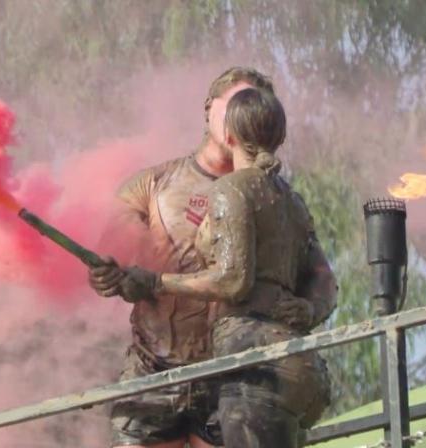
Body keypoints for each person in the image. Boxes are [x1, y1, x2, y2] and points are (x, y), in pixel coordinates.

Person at [90, 68, 336, 448]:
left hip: (237, 377)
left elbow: (322, 278)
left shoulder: (279, 201)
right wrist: (107, 275)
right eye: (236, 103)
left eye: (256, 106)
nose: (244, 113)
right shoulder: (153, 184)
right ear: (209, 109)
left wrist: (307, 310)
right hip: (155, 372)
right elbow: (110, 251)